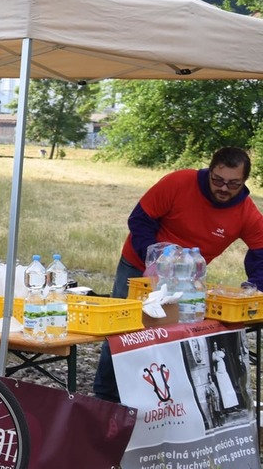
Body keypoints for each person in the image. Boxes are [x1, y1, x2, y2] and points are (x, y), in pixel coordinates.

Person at [93, 147, 263, 402]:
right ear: (209, 171)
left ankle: (154, 401)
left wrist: (256, 285)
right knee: (124, 329)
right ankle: (105, 397)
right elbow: (139, 220)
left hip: (185, 277)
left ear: (244, 182)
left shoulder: (246, 212)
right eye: (218, 180)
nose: (224, 188)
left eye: (233, 184)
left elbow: (260, 252)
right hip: (139, 265)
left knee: (172, 334)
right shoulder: (179, 182)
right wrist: (153, 258)